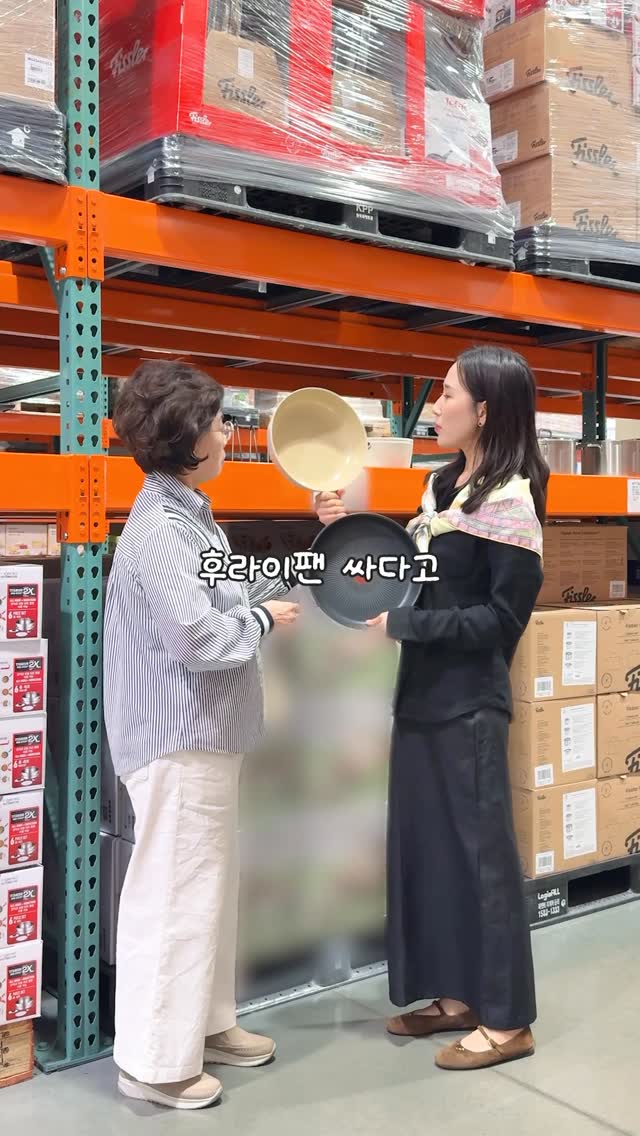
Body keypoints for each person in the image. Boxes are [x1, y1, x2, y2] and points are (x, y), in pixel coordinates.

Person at [315, 345, 549, 1071]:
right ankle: (454, 996)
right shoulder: (441, 488)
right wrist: (342, 527)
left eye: (447, 394)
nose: (435, 407)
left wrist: (408, 626)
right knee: (430, 853)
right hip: (419, 696)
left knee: (482, 863)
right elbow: (410, 577)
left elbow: (500, 621)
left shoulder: (512, 500)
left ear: (484, 410)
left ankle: (507, 1021)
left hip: (470, 706)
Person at [103, 360, 300, 1110]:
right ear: (189, 438)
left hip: (206, 736)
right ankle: (154, 1063)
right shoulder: (160, 528)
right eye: (219, 423)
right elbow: (196, 637)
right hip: (176, 739)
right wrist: (261, 622)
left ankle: (205, 1027)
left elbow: (235, 586)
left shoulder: (191, 517)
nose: (228, 434)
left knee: (205, 891)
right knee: (174, 895)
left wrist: (316, 551)